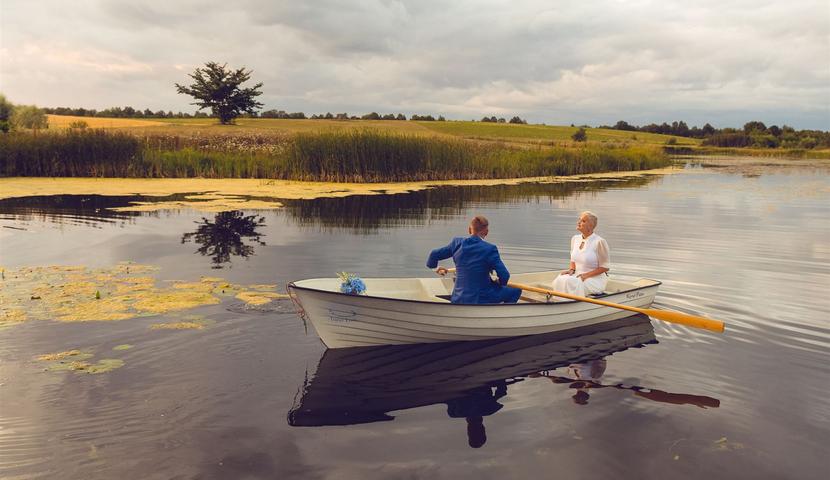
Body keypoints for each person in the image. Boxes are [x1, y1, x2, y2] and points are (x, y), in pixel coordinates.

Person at [426, 215, 522, 304]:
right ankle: (498, 316)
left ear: (469, 230)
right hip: (480, 298)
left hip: (458, 298)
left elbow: (433, 254)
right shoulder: (490, 249)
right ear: (486, 232)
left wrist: (435, 268)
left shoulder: (456, 243)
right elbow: (505, 275)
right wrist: (499, 284)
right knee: (515, 291)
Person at [553, 211, 610, 297]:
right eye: (579, 220)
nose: (578, 222)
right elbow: (573, 258)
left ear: (590, 226)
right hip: (578, 274)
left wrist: (586, 275)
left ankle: (570, 303)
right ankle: (560, 301)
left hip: (594, 279)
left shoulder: (599, 242)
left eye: (583, 221)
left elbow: (605, 267)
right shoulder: (575, 239)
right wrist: (571, 270)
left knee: (571, 282)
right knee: (560, 278)